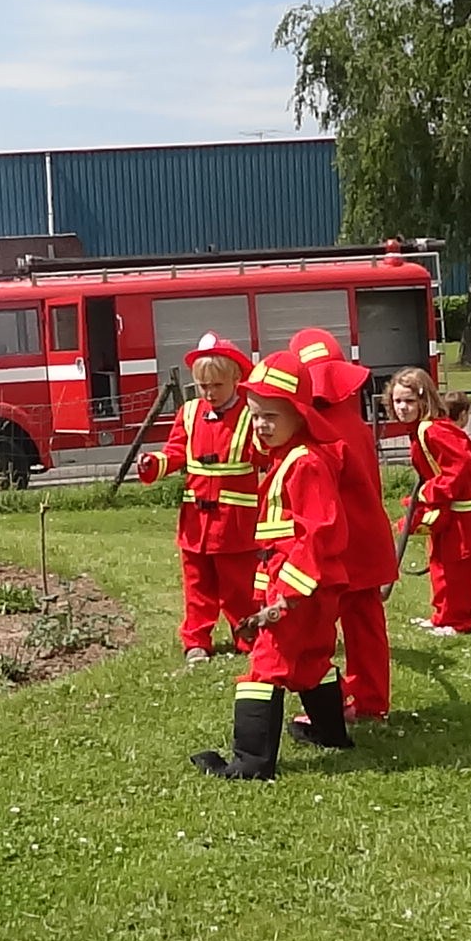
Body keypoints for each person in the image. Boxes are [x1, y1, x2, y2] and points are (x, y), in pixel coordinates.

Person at [192, 350, 351, 779]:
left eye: (271, 417)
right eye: (256, 415)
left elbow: (319, 534)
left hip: (301, 589)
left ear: (299, 417)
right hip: (314, 589)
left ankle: (250, 764)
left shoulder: (305, 464)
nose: (260, 425)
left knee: (266, 667)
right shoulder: (293, 457)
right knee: (312, 660)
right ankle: (332, 735)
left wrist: (287, 596)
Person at [288, 328, 396, 722]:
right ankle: (370, 700)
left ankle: (332, 707)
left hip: (337, 545)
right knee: (366, 626)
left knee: (316, 627)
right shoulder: (354, 422)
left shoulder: (318, 430)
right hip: (369, 540)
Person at [136, 332, 262, 664]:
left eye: (217, 386)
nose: (209, 393)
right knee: (197, 585)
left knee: (240, 586)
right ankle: (196, 641)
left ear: (236, 378)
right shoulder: (190, 413)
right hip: (196, 521)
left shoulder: (251, 415)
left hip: (235, 522)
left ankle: (247, 636)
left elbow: (267, 458)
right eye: (203, 386)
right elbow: (175, 451)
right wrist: (154, 464)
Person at [387, 368, 471, 635]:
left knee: (458, 571)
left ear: (424, 399)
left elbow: (460, 465)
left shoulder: (433, 430)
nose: (402, 407)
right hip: (452, 512)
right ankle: (442, 617)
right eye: (397, 401)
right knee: (440, 564)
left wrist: (428, 494)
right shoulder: (423, 430)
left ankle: (457, 621)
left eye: (409, 401)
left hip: (466, 516)